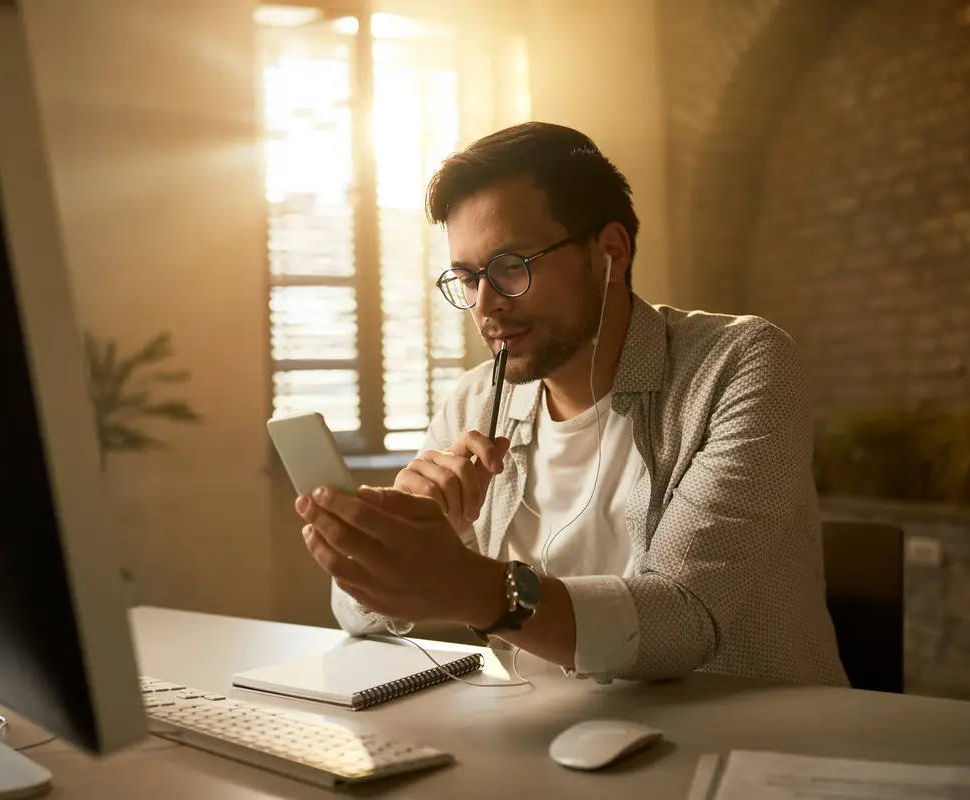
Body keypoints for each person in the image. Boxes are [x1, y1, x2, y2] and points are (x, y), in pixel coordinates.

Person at [293, 121, 848, 686]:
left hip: (753, 747)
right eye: (467, 278)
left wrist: (474, 588)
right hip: (551, 741)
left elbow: (683, 618)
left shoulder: (739, 364)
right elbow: (357, 615)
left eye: (511, 267)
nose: (486, 305)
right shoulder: (474, 400)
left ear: (610, 252)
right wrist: (405, 530)